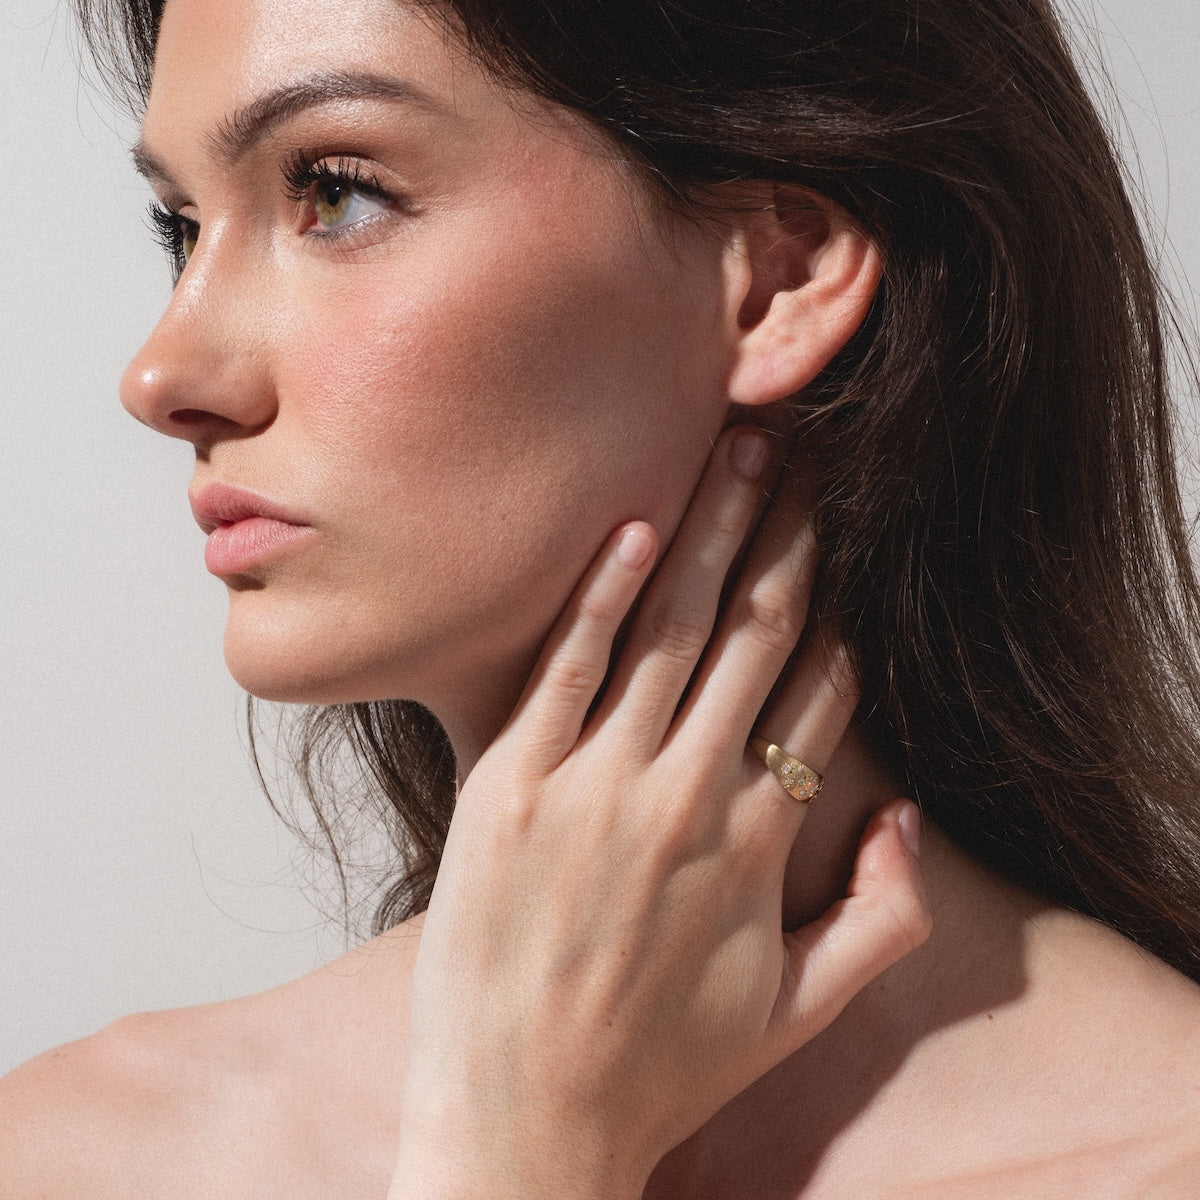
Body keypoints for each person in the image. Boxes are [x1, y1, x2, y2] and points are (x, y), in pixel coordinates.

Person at [4, 0, 1200, 1195]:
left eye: (333, 190)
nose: (161, 376)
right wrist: (518, 1150)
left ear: (778, 276)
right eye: (181, 226)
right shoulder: (77, 1153)